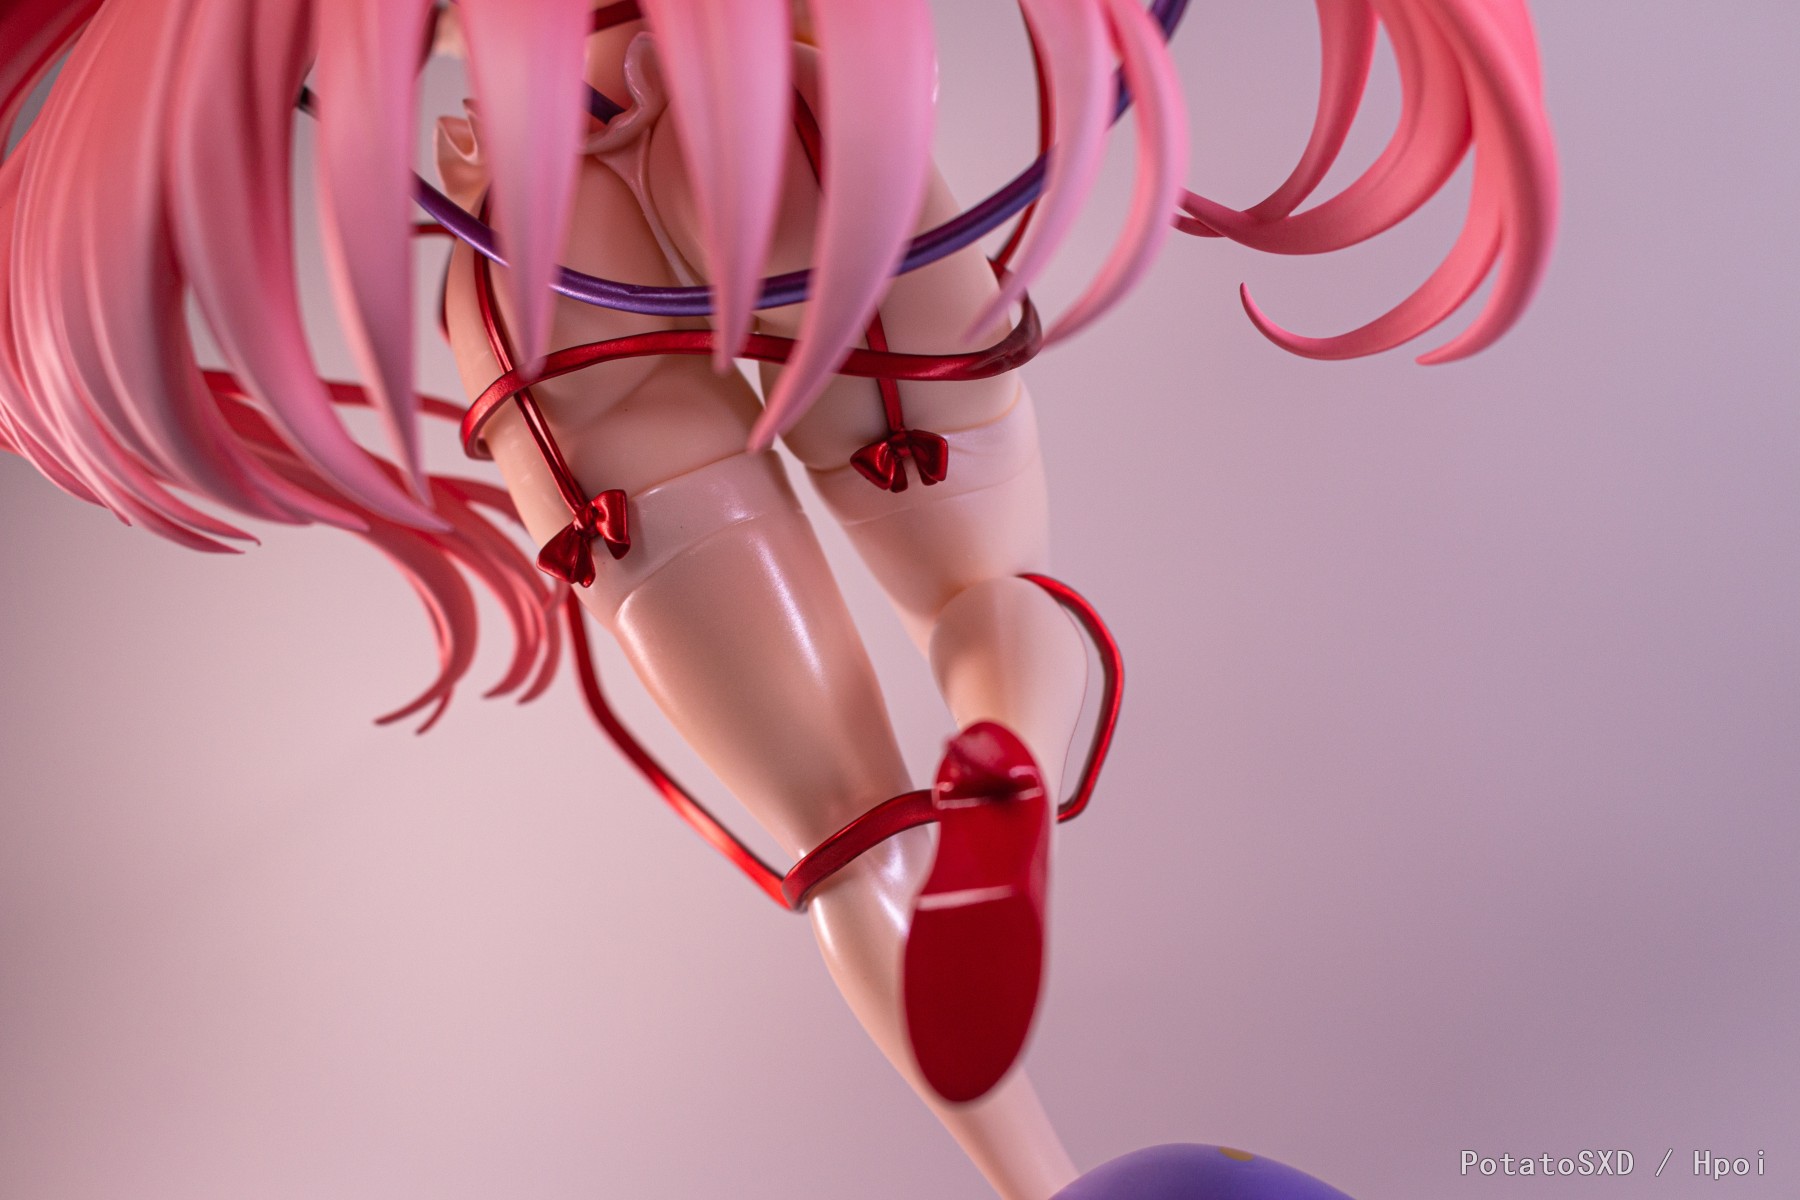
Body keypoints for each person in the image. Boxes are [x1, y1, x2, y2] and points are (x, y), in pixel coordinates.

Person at [0, 2, 1557, 1196]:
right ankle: (1004, 753)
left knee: (833, 822)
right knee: (977, 582)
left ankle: (1038, 1185)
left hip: (536, 222)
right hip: (775, 127)